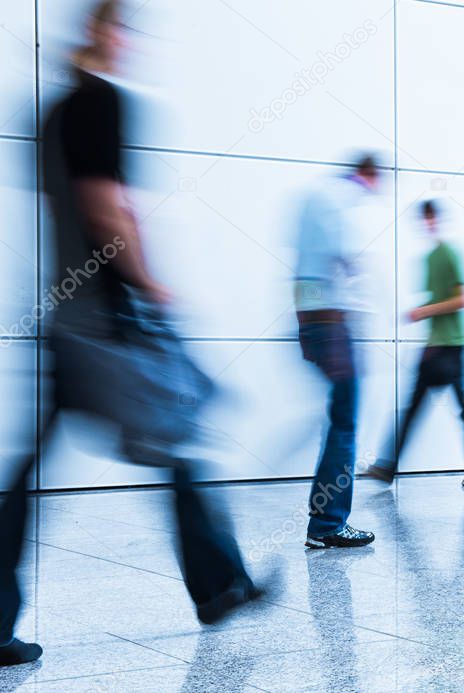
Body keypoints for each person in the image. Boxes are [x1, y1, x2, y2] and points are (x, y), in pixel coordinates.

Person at [1, 1, 263, 666]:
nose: (129, 43)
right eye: (124, 29)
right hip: (102, 319)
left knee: (35, 469)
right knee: (174, 435)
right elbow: (105, 206)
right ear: (102, 32)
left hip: (66, 314)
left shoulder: (54, 112)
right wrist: (150, 282)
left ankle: (218, 583)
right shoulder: (100, 103)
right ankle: (220, 583)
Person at [368, 200, 464, 486]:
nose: (427, 224)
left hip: (453, 346)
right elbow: (437, 302)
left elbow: (463, 298)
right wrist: (421, 314)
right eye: (423, 220)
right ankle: (387, 468)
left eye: (431, 218)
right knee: (413, 408)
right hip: (435, 347)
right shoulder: (428, 258)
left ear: (438, 219)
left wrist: (423, 311)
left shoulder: (449, 254)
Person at [294, 155, 379, 549]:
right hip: (335, 326)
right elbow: (334, 264)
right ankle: (328, 524)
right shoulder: (343, 201)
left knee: (336, 423)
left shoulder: (315, 196)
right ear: (369, 174)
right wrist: (332, 329)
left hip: (319, 322)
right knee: (344, 425)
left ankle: (323, 522)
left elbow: (304, 271)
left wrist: (306, 326)